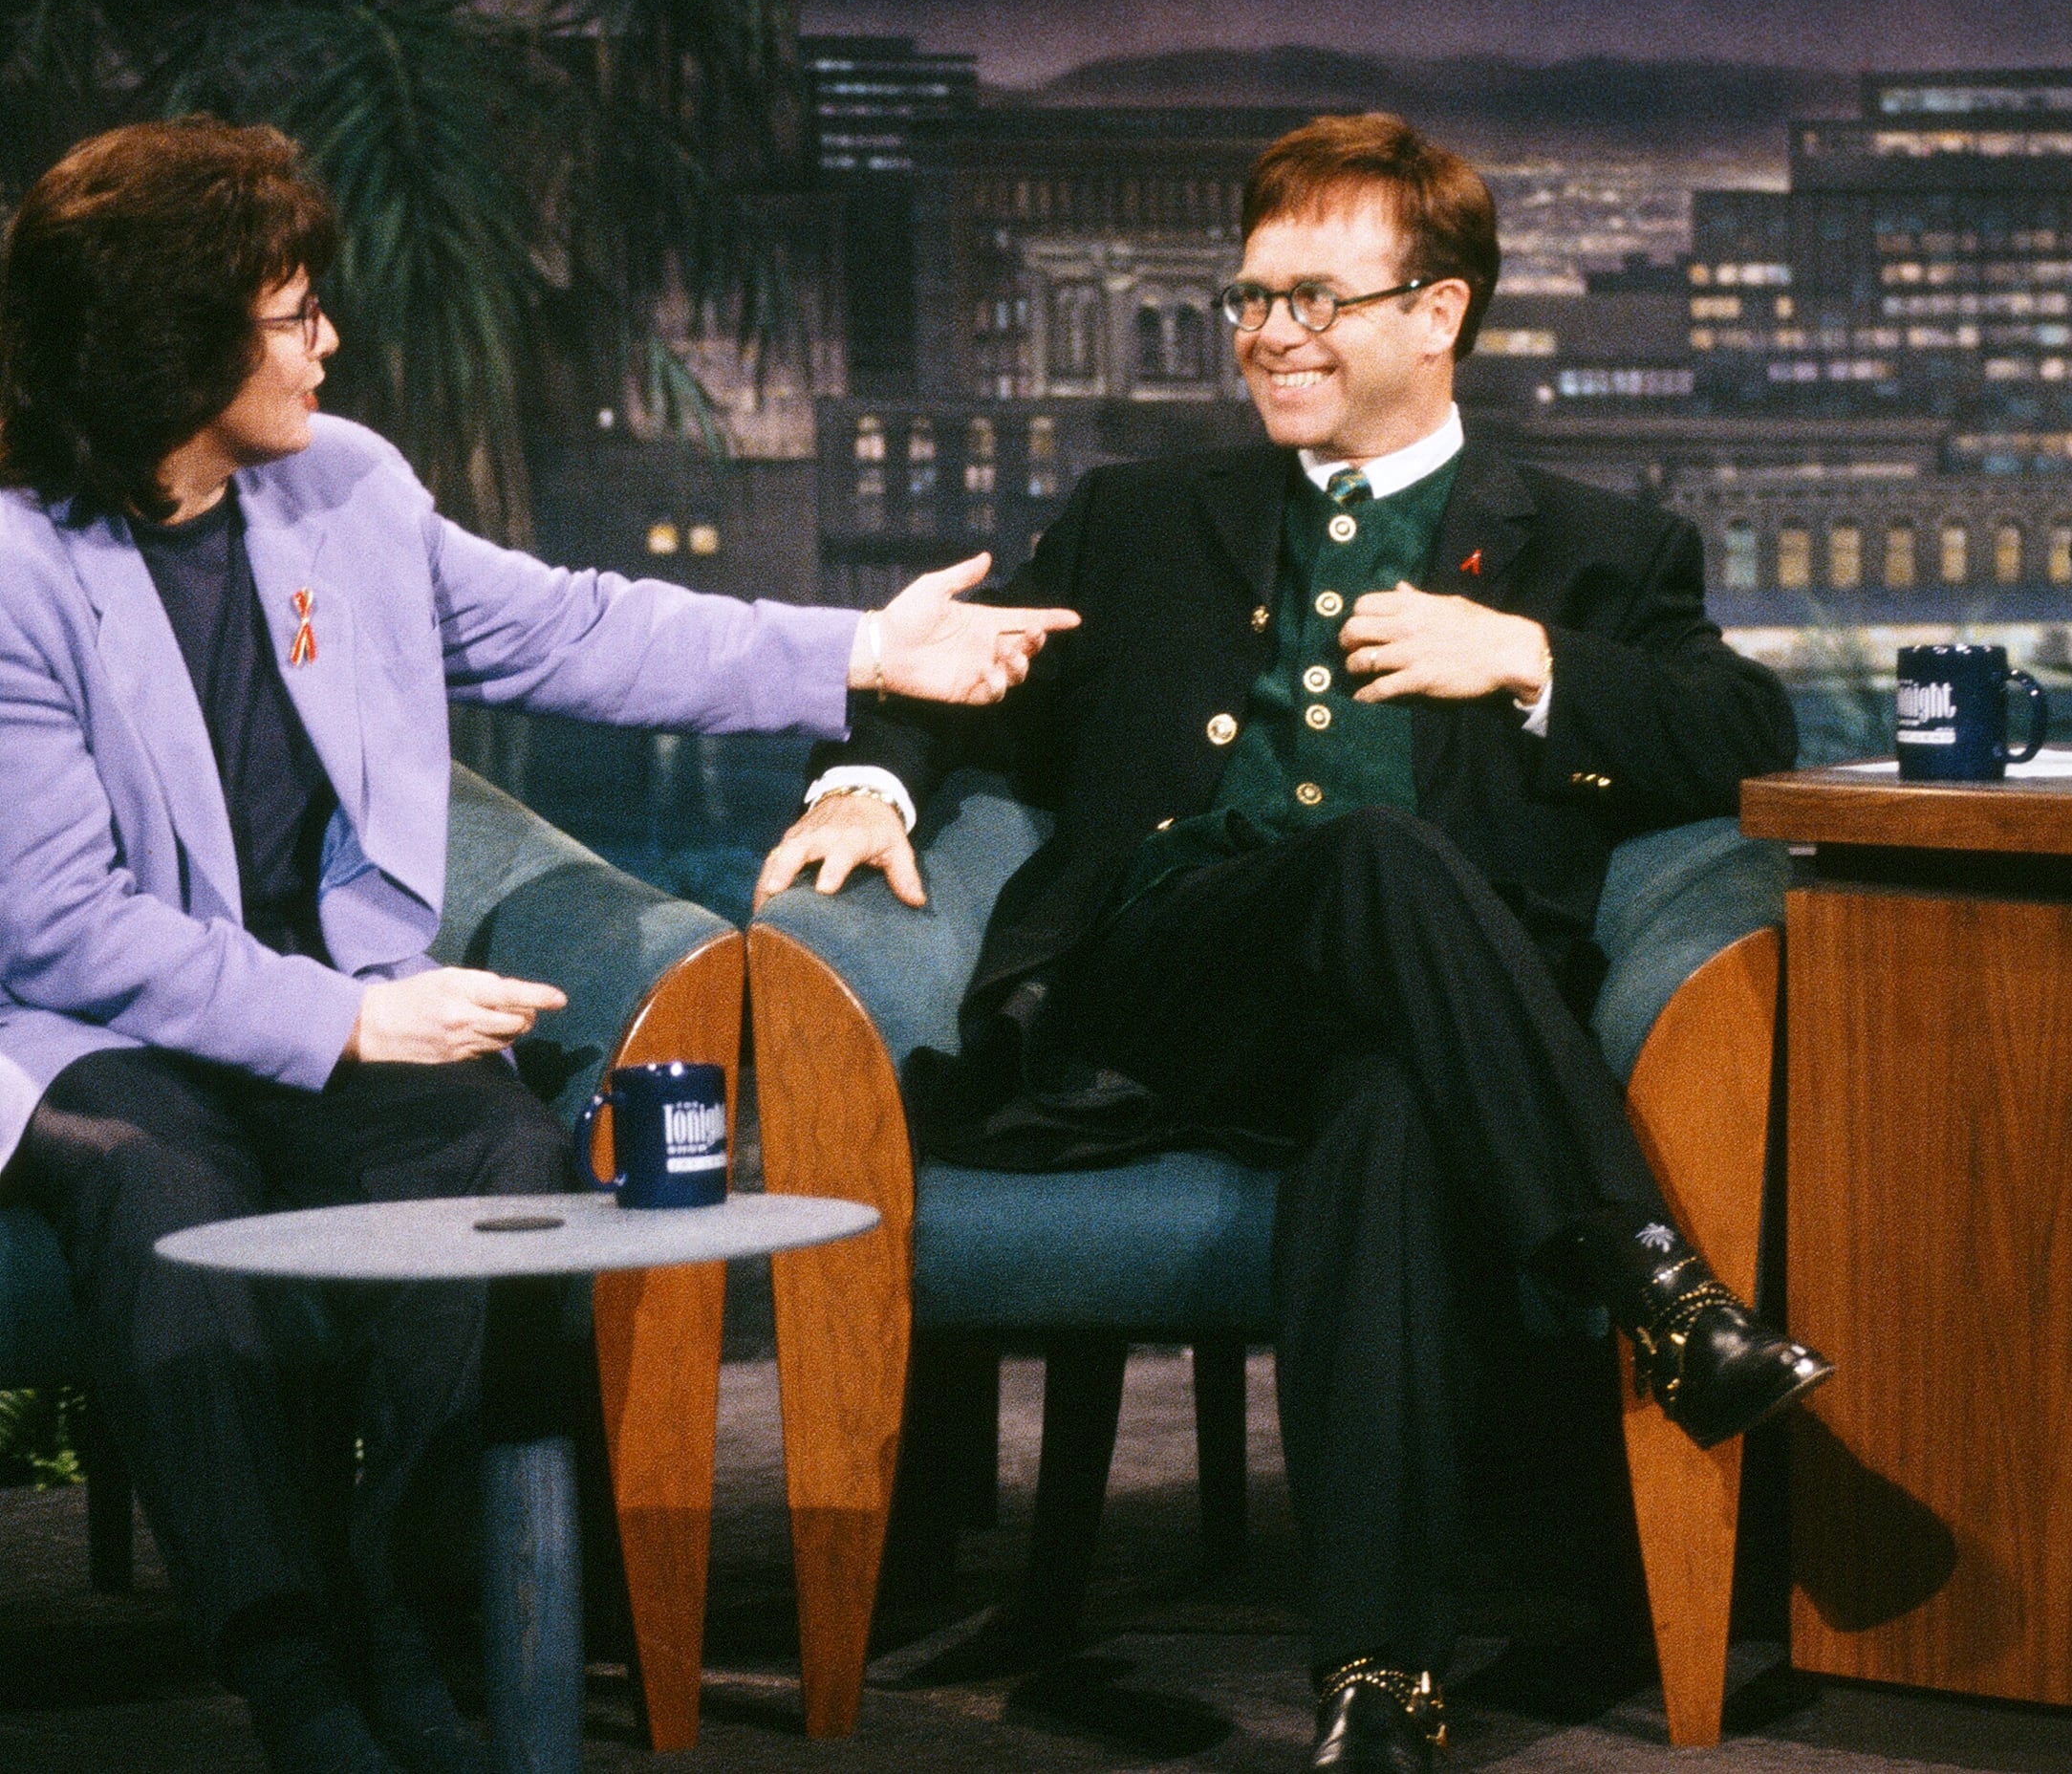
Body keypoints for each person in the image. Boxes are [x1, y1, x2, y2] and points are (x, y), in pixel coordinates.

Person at [0, 117, 1075, 1774]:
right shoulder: (17, 562)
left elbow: (575, 627)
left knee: (497, 1150)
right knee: (161, 1183)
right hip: (96, 1025)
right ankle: (290, 1665)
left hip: (342, 992)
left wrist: (866, 646)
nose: (328, 341)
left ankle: (406, 1606)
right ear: (172, 339)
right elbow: (64, 924)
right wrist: (345, 1027)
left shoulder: (346, 488)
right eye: (293, 313)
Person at [756, 113, 1829, 1772]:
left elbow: (1735, 737)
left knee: (1386, 1110)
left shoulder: (1599, 550)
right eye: (1253, 299)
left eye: (1317, 300)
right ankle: (1656, 1284)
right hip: (1159, 994)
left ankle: (1380, 1685)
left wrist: (1529, 662)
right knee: (1369, 858)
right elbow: (962, 681)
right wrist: (871, 782)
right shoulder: (1138, 518)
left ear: (1439, 313)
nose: (1269, 336)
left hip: (1424, 1036)